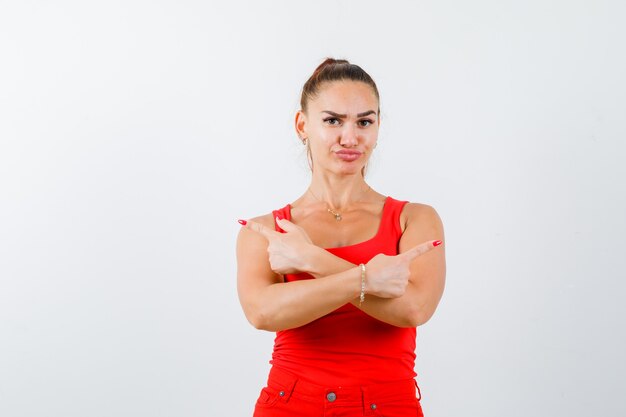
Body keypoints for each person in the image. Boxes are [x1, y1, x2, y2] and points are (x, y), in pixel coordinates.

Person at [236, 58, 446, 417]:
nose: (350, 138)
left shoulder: (415, 219)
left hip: (389, 406)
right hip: (289, 405)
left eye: (365, 122)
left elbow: (413, 309)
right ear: (302, 124)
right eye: (332, 120)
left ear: (378, 127)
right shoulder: (268, 230)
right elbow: (262, 313)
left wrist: (311, 260)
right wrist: (367, 279)